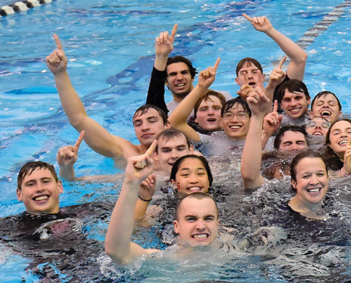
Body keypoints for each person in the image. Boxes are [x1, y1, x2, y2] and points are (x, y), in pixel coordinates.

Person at [48, 35, 169, 170]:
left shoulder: (183, 150)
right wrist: (60, 74)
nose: (144, 127)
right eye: (138, 123)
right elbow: (79, 119)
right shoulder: (125, 152)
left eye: (152, 120)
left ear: (167, 125)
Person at [103, 142, 221, 266]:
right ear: (176, 226)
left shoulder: (235, 252)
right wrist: (131, 183)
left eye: (208, 218)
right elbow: (117, 250)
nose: (201, 226)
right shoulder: (165, 260)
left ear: (218, 225)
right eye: (191, 219)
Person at [235, 14, 308, 89]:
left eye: (254, 72)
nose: (250, 77)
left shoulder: (281, 95)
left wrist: (269, 30)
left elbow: (300, 58)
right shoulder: (232, 101)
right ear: (237, 81)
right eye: (243, 73)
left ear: (263, 77)